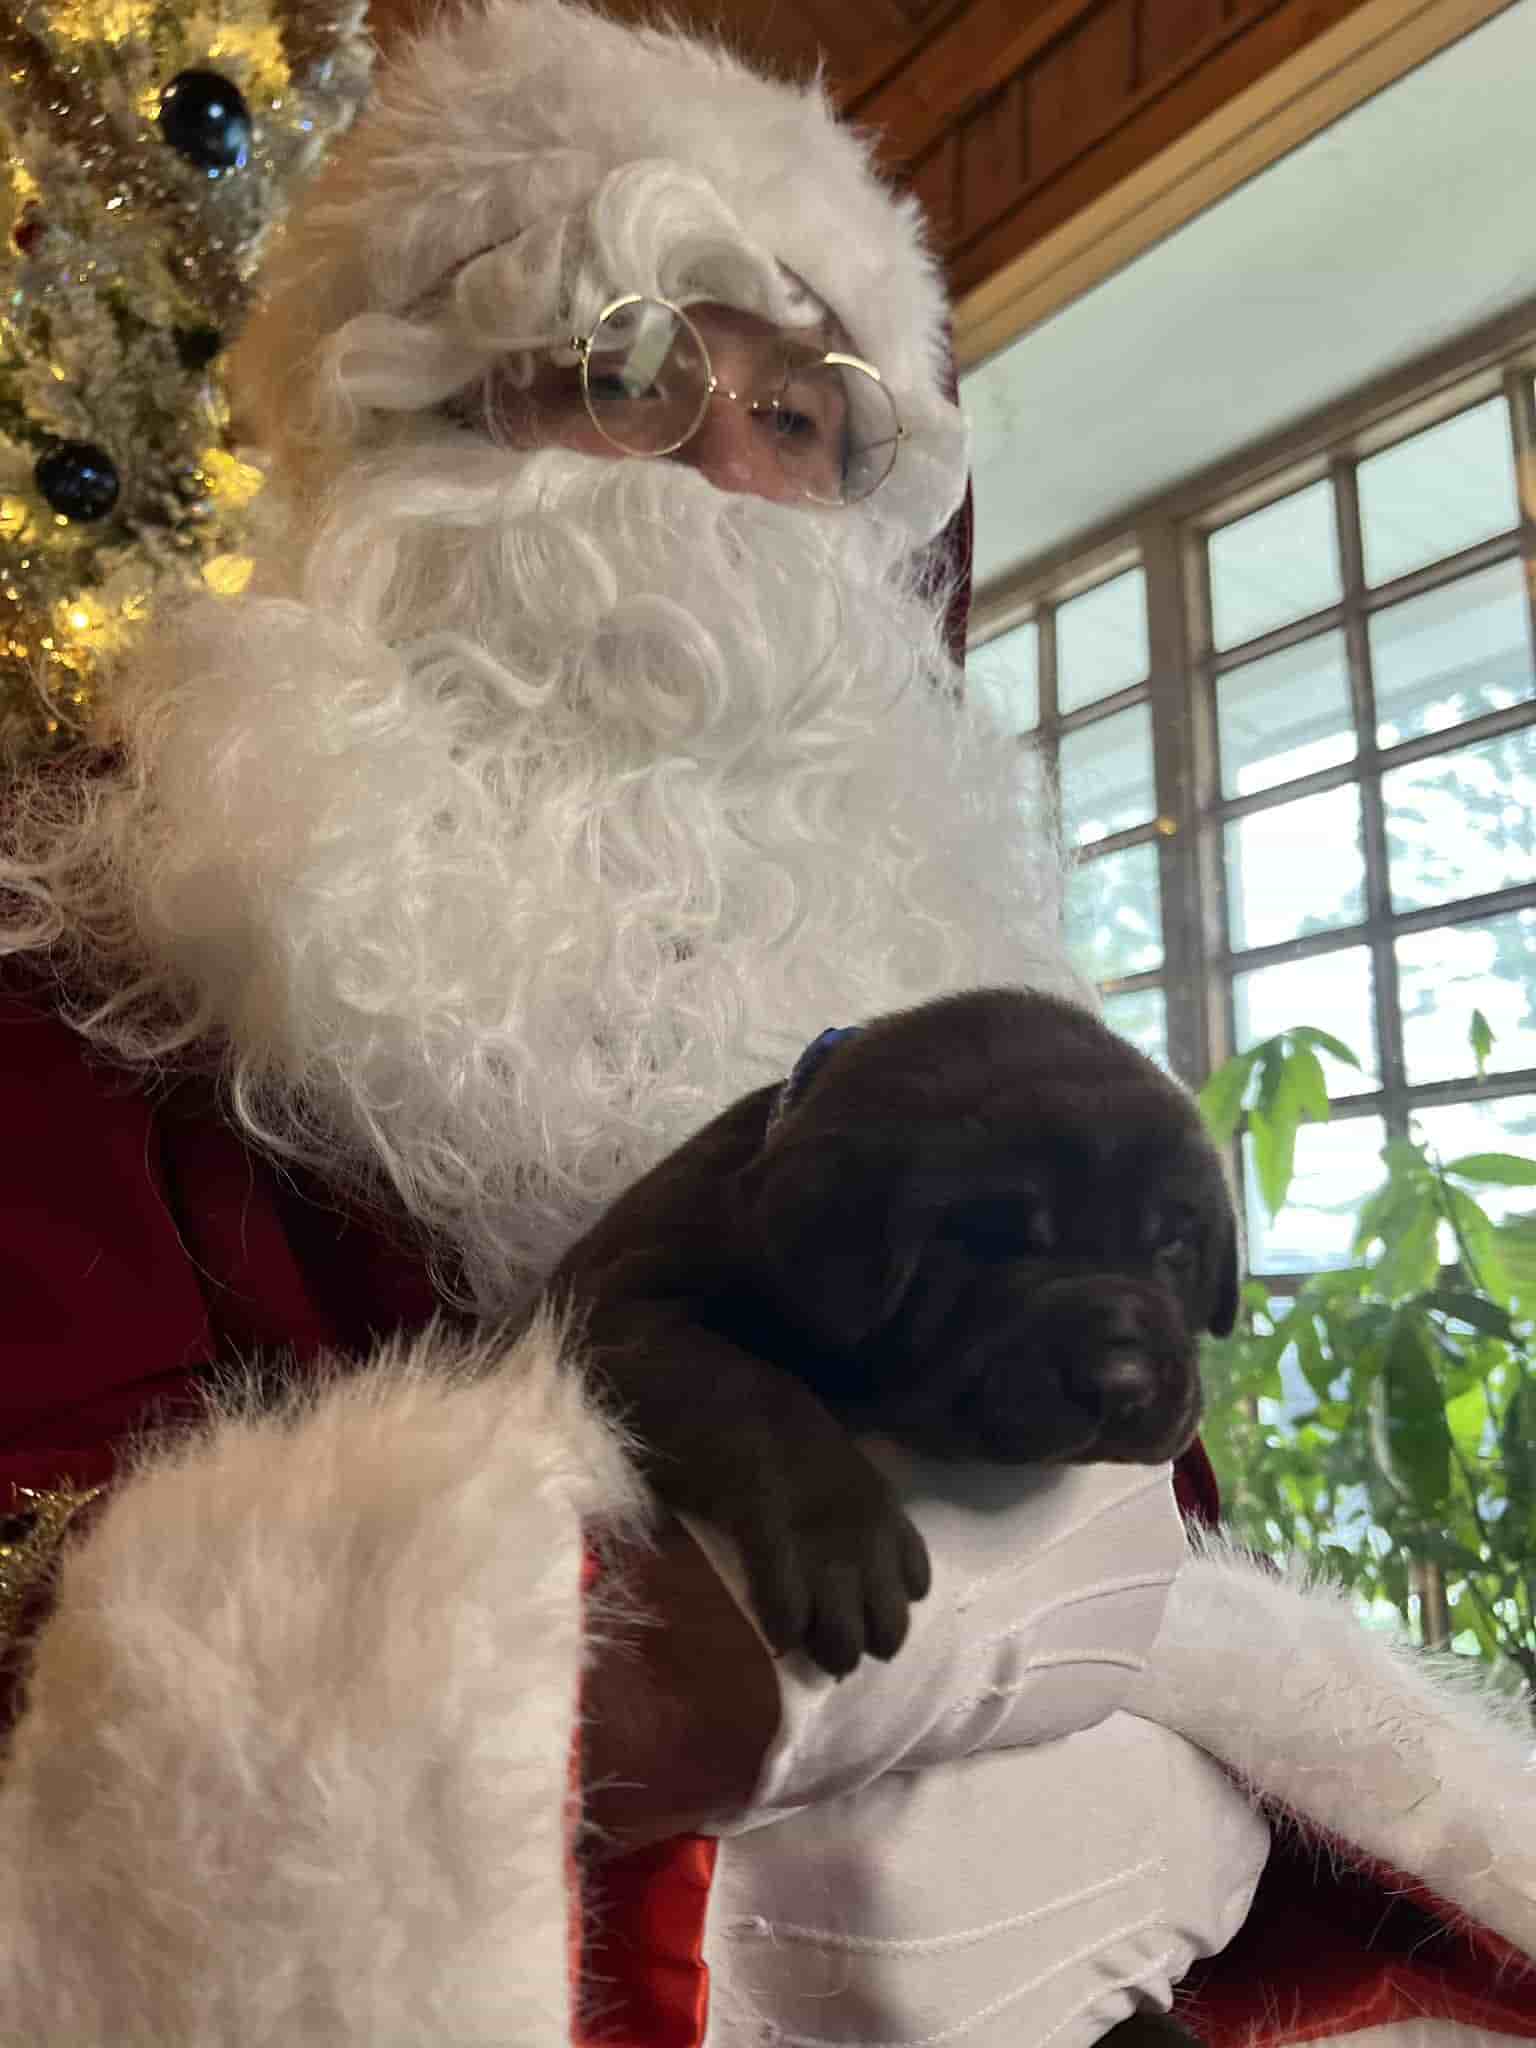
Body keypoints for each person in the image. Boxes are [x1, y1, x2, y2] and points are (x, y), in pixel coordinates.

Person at [0, 3, 1533, 2043]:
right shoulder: (96, 950)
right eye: (633, 373)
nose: (731, 470)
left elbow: (1159, 1532)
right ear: (412, 429)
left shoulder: (944, 956)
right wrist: (567, 1667)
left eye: (807, 417)